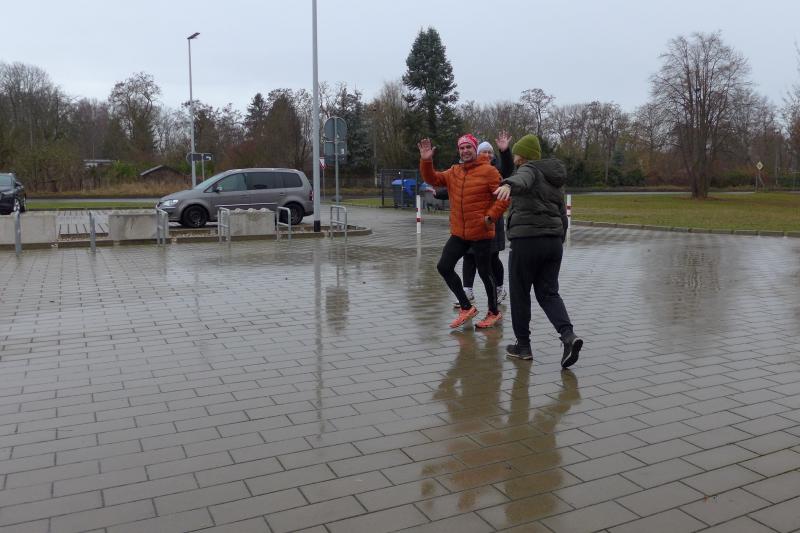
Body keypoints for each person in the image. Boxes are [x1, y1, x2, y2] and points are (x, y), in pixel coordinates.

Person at [493, 134, 583, 368]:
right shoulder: (554, 180)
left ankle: (523, 346)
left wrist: (508, 185)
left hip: (527, 242)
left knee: (520, 294)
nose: (515, 156)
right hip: (553, 243)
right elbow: (562, 215)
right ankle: (568, 336)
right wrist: (558, 239)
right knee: (549, 293)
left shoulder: (528, 169)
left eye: (516, 153)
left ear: (522, 156)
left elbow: (522, 179)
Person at [418, 134, 509, 329]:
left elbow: (503, 198)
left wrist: (490, 217)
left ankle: (494, 312)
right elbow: (433, 178)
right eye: (462, 148)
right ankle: (467, 307)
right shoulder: (454, 171)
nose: (465, 151)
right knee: (444, 266)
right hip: (459, 233)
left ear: (475, 149)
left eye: (469, 147)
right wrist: (426, 161)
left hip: (481, 233)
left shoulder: (489, 171)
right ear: (458, 151)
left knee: (485, 272)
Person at [455, 139, 511, 308]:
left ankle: (499, 289)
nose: (487, 155)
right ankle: (467, 291)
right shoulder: (469, 168)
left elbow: (508, 169)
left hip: (491, 222)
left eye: (489, 152)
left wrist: (505, 151)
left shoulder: (495, 169)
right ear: (477, 154)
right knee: (468, 256)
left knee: (492, 258)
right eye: (483, 152)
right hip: (471, 223)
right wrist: (438, 193)